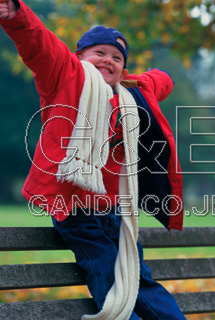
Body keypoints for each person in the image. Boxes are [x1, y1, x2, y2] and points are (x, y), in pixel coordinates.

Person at [0, 1, 185, 319]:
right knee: (106, 271)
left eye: (116, 58)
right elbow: (39, 45)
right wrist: (17, 15)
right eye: (99, 53)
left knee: (139, 278)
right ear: (78, 57)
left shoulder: (130, 95)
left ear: (123, 71)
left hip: (116, 211)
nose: (107, 60)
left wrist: (148, 79)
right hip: (75, 210)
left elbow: (159, 80)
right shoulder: (64, 76)